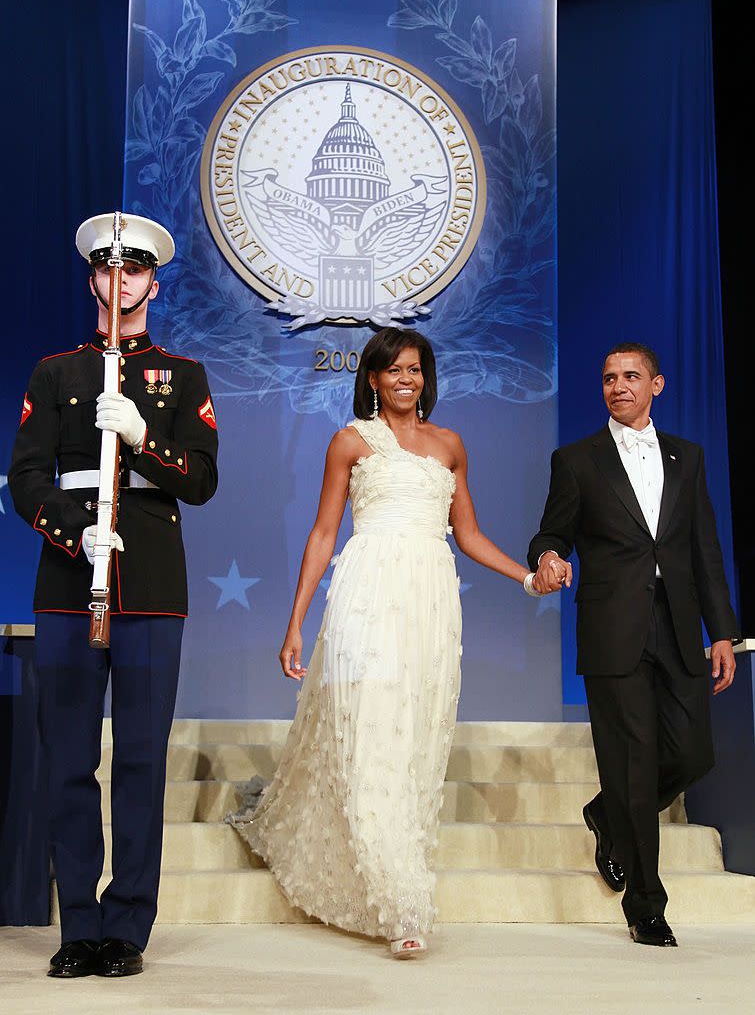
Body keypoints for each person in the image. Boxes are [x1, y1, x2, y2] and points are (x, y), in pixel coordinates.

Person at [229, 327, 532, 958]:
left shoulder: (450, 446)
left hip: (429, 601)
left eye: (415, 370)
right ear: (371, 378)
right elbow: (321, 534)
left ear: (426, 377)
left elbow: (468, 535)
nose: (405, 379)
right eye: (393, 370)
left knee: (413, 739)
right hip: (365, 594)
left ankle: (395, 872)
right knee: (367, 732)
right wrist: (295, 622)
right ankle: (400, 903)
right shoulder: (350, 442)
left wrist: (527, 577)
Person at [8, 213, 219, 977]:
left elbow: (199, 481)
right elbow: (25, 480)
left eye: (136, 271)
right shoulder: (54, 372)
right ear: (94, 280)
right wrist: (74, 532)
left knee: (138, 758)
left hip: (153, 585)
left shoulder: (181, 375)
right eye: (109, 269)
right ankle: (80, 926)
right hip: (69, 583)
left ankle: (127, 925)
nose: (122, 281)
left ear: (152, 285)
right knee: (67, 757)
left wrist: (140, 438)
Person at [527, 342, 739, 947]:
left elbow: (705, 552)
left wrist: (721, 631)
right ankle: (647, 906)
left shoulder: (688, 457)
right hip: (612, 630)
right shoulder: (577, 461)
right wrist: (547, 558)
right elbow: (552, 530)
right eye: (608, 378)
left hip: (679, 628)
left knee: (695, 754)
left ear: (657, 385)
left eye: (630, 376)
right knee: (634, 765)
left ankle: (608, 813)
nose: (617, 386)